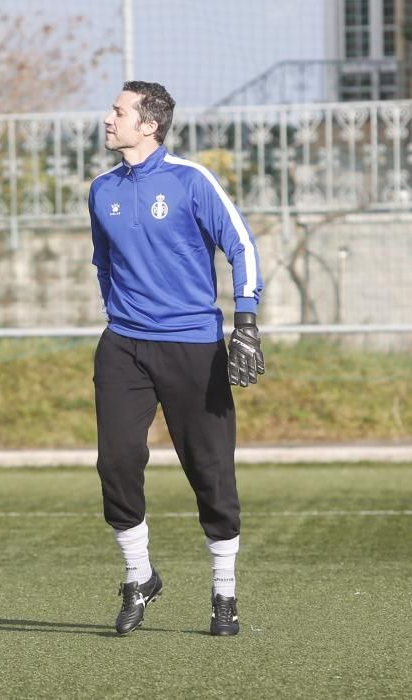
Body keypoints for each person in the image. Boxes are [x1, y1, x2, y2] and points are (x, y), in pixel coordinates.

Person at [89, 80, 265, 637]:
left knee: (209, 471)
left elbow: (241, 245)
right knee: (116, 461)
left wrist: (246, 323)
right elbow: (103, 262)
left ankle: (224, 592)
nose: (108, 118)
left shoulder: (192, 180)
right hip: (123, 343)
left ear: (150, 125)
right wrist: (121, 314)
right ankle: (139, 577)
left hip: (192, 345)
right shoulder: (100, 188)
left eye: (119, 111)